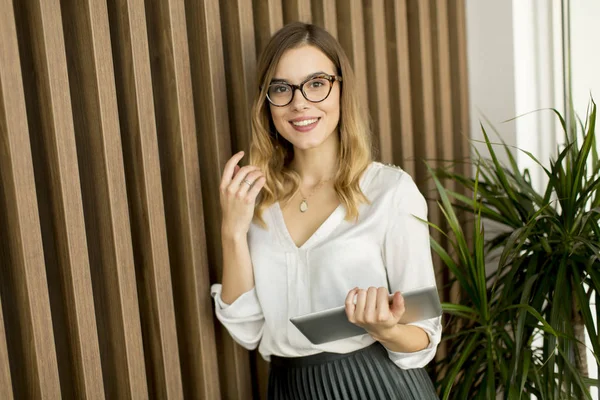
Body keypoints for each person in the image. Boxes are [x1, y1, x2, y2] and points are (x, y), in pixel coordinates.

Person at [210, 22, 441, 399]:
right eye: (281, 89)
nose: (299, 103)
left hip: (377, 383)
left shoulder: (389, 192)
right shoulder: (256, 200)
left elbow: (423, 338)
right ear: (266, 102)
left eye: (316, 83)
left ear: (341, 90)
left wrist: (387, 329)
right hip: (289, 386)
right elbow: (247, 330)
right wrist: (232, 232)